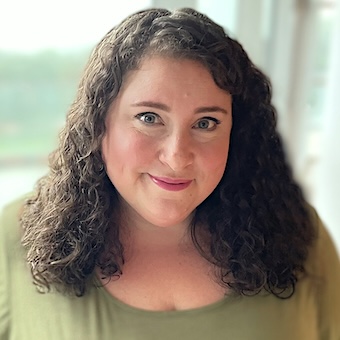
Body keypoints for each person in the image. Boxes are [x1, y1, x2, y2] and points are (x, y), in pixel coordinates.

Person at [0, 7, 339, 340]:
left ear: (237, 134)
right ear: (99, 124)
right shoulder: (10, 240)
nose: (177, 157)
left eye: (206, 123)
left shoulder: (299, 236)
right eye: (149, 118)